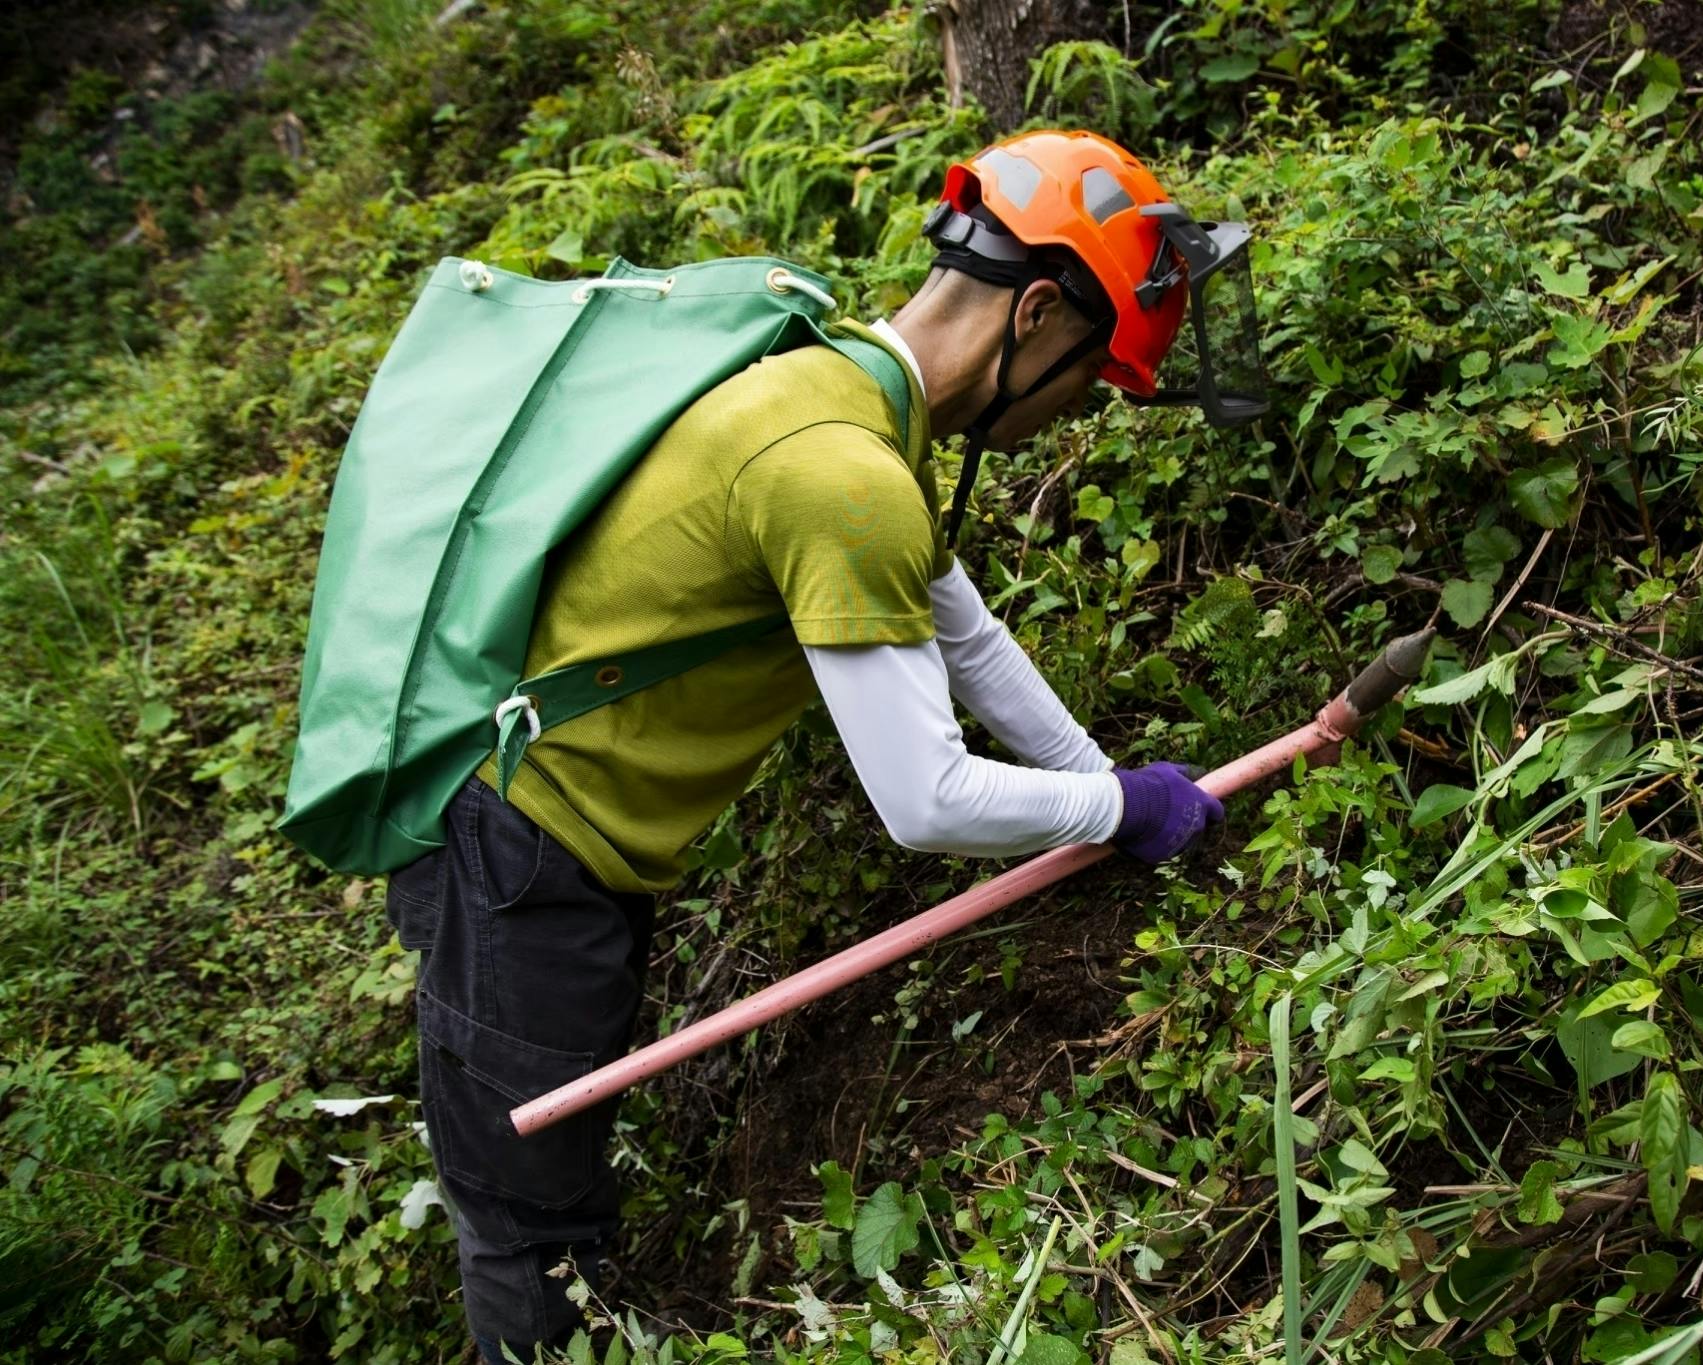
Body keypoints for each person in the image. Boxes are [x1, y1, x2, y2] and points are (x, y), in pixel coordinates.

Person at [381, 128, 1268, 1362]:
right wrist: (1117, 811)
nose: (1077, 413)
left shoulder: (836, 382)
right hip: (520, 857)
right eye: (1090, 376)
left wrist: (1097, 782)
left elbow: (964, 635)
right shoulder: (840, 475)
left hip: (558, 843)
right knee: (530, 1225)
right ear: (1034, 320)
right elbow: (926, 799)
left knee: (551, 1199)